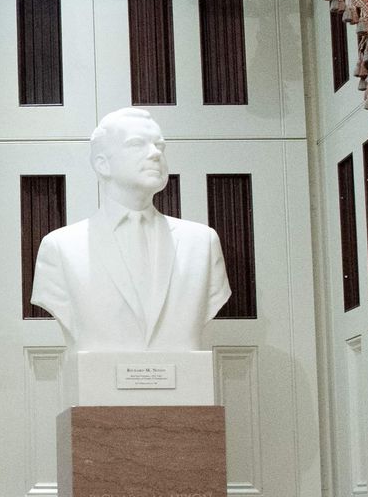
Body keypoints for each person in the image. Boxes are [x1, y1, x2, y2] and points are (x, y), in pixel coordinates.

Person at [30, 108, 232, 354]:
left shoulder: (201, 243)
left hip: (183, 384)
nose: (155, 154)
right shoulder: (61, 247)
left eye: (160, 146)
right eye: (137, 145)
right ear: (102, 164)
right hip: (99, 385)